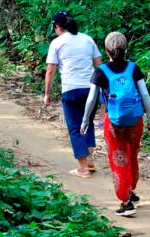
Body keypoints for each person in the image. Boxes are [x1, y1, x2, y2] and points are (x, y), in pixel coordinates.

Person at [80, 31, 150, 217]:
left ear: (106, 50)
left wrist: (84, 121)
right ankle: (131, 190)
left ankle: (126, 201)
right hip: (135, 120)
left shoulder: (101, 71)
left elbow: (92, 99)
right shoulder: (133, 68)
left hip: (114, 122)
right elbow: (145, 95)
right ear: (126, 48)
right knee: (131, 154)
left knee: (119, 158)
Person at [44, 10, 102, 178]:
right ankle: (89, 159)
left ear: (57, 27)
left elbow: (50, 70)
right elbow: (99, 65)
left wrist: (47, 94)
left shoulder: (57, 43)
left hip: (70, 90)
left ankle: (83, 169)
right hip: (91, 88)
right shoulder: (88, 39)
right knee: (88, 122)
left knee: (75, 128)